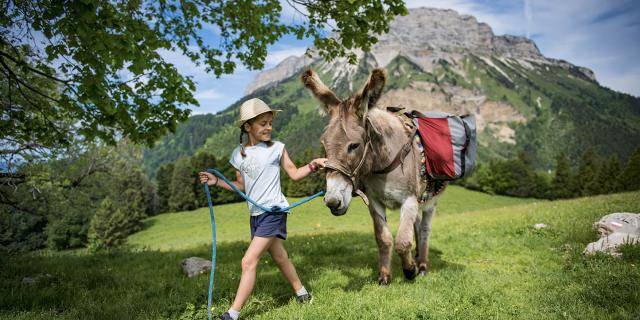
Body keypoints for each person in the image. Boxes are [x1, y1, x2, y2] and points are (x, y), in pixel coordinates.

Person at [199, 98, 327, 320]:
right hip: (256, 215)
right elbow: (241, 186)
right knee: (280, 257)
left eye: (270, 123)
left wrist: (314, 164)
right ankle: (303, 294)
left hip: (274, 211)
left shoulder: (278, 149)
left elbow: (295, 174)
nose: (268, 127)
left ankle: (233, 313)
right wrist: (216, 182)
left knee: (248, 261)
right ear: (247, 126)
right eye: (262, 123)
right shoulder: (238, 155)